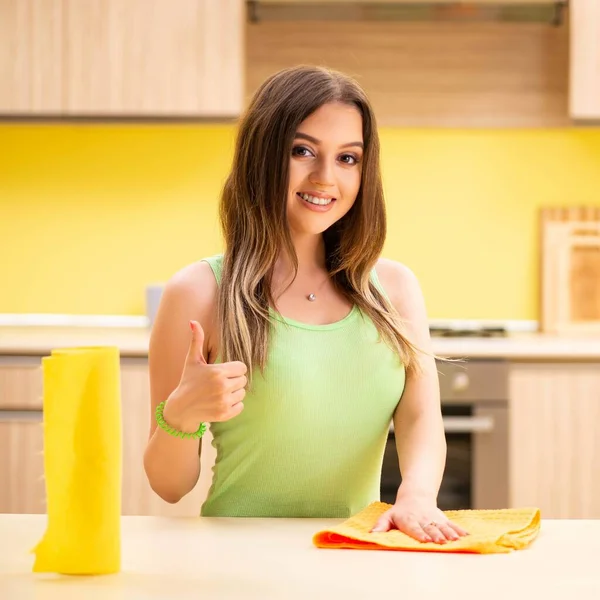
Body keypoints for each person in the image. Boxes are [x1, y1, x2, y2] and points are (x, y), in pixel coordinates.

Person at [143, 65, 468, 545]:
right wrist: (182, 414)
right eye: (303, 151)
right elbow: (169, 488)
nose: (325, 177)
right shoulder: (199, 293)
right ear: (262, 154)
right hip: (235, 559)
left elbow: (420, 417)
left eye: (348, 158)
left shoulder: (395, 289)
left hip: (356, 550)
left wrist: (416, 495)